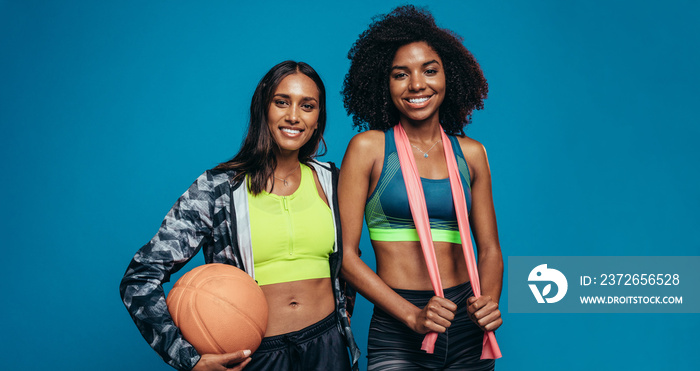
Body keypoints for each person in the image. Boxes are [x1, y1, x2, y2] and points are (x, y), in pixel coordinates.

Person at [120, 61, 360, 371]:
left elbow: (350, 264)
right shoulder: (218, 189)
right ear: (263, 109)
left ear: (318, 120)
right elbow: (139, 277)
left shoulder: (335, 182)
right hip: (256, 357)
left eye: (307, 106)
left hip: (328, 346)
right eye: (282, 102)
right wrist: (187, 359)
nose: (293, 116)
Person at [339, 6, 502, 370]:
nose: (417, 84)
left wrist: (488, 302)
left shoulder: (471, 154)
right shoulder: (369, 150)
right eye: (401, 74)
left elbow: (489, 249)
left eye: (430, 70)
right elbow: (346, 258)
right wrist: (412, 316)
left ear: (449, 77)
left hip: (466, 322)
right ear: (385, 83)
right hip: (399, 323)